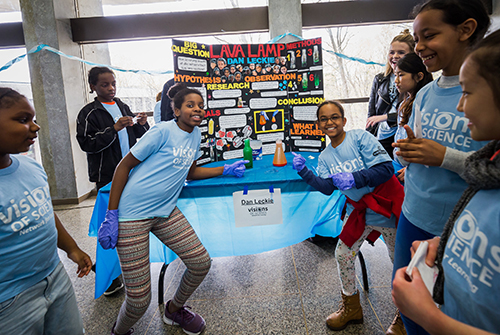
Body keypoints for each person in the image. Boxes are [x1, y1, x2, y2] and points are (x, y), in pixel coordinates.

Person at [100, 83, 249, 335]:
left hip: (165, 212)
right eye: (190, 105)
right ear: (176, 110)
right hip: (132, 216)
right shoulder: (161, 132)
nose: (197, 109)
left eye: (200, 106)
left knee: (200, 262)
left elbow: (190, 171)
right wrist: (112, 214)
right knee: (138, 301)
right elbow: (123, 167)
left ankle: (174, 309)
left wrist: (224, 169)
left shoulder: (195, 135)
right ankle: (119, 331)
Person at [391, 0, 490, 333]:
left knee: (451, 312)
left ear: (466, 30)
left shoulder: (490, 94)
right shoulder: (424, 94)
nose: (419, 47)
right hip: (413, 216)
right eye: (416, 38)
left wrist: (443, 156)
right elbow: (413, 153)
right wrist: (406, 152)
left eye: (429, 35)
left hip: (462, 229)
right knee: (409, 304)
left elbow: (491, 169)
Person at [292, 101, 404, 331]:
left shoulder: (360, 138)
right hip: (359, 211)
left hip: (388, 206)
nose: (329, 122)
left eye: (334, 117)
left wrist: (355, 178)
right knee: (342, 254)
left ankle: (405, 314)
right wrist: (305, 172)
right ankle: (352, 308)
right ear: (318, 125)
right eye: (324, 119)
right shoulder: (324, 157)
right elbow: (326, 187)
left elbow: (385, 169)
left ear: (344, 121)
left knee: (399, 261)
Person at [0, 87, 92, 334]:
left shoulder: (30, 166)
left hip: (56, 277)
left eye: (33, 118)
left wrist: (72, 248)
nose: (35, 127)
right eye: (23, 120)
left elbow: (44, 212)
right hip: (9, 301)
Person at [76, 66, 149, 295]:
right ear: (93, 87)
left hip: (130, 173)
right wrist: (113, 128)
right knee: (109, 223)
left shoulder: (122, 105)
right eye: (105, 84)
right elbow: (86, 144)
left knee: (127, 222)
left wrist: (142, 124)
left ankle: (125, 266)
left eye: (113, 83)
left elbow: (137, 136)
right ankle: (108, 274)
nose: (111, 88)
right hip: (107, 176)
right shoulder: (88, 113)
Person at [366, 29, 415, 159]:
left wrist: (385, 117)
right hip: (381, 135)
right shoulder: (380, 79)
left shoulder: (415, 79)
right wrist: (369, 138)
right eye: (392, 52)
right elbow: (372, 113)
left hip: (400, 135)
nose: (395, 56)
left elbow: (410, 111)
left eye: (401, 53)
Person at [392, 53, 433, 183]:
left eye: (401, 75)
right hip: (401, 164)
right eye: (395, 75)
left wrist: (413, 168)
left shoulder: (427, 103)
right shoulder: (404, 103)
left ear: (419, 76)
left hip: (415, 169)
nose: (396, 80)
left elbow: (427, 143)